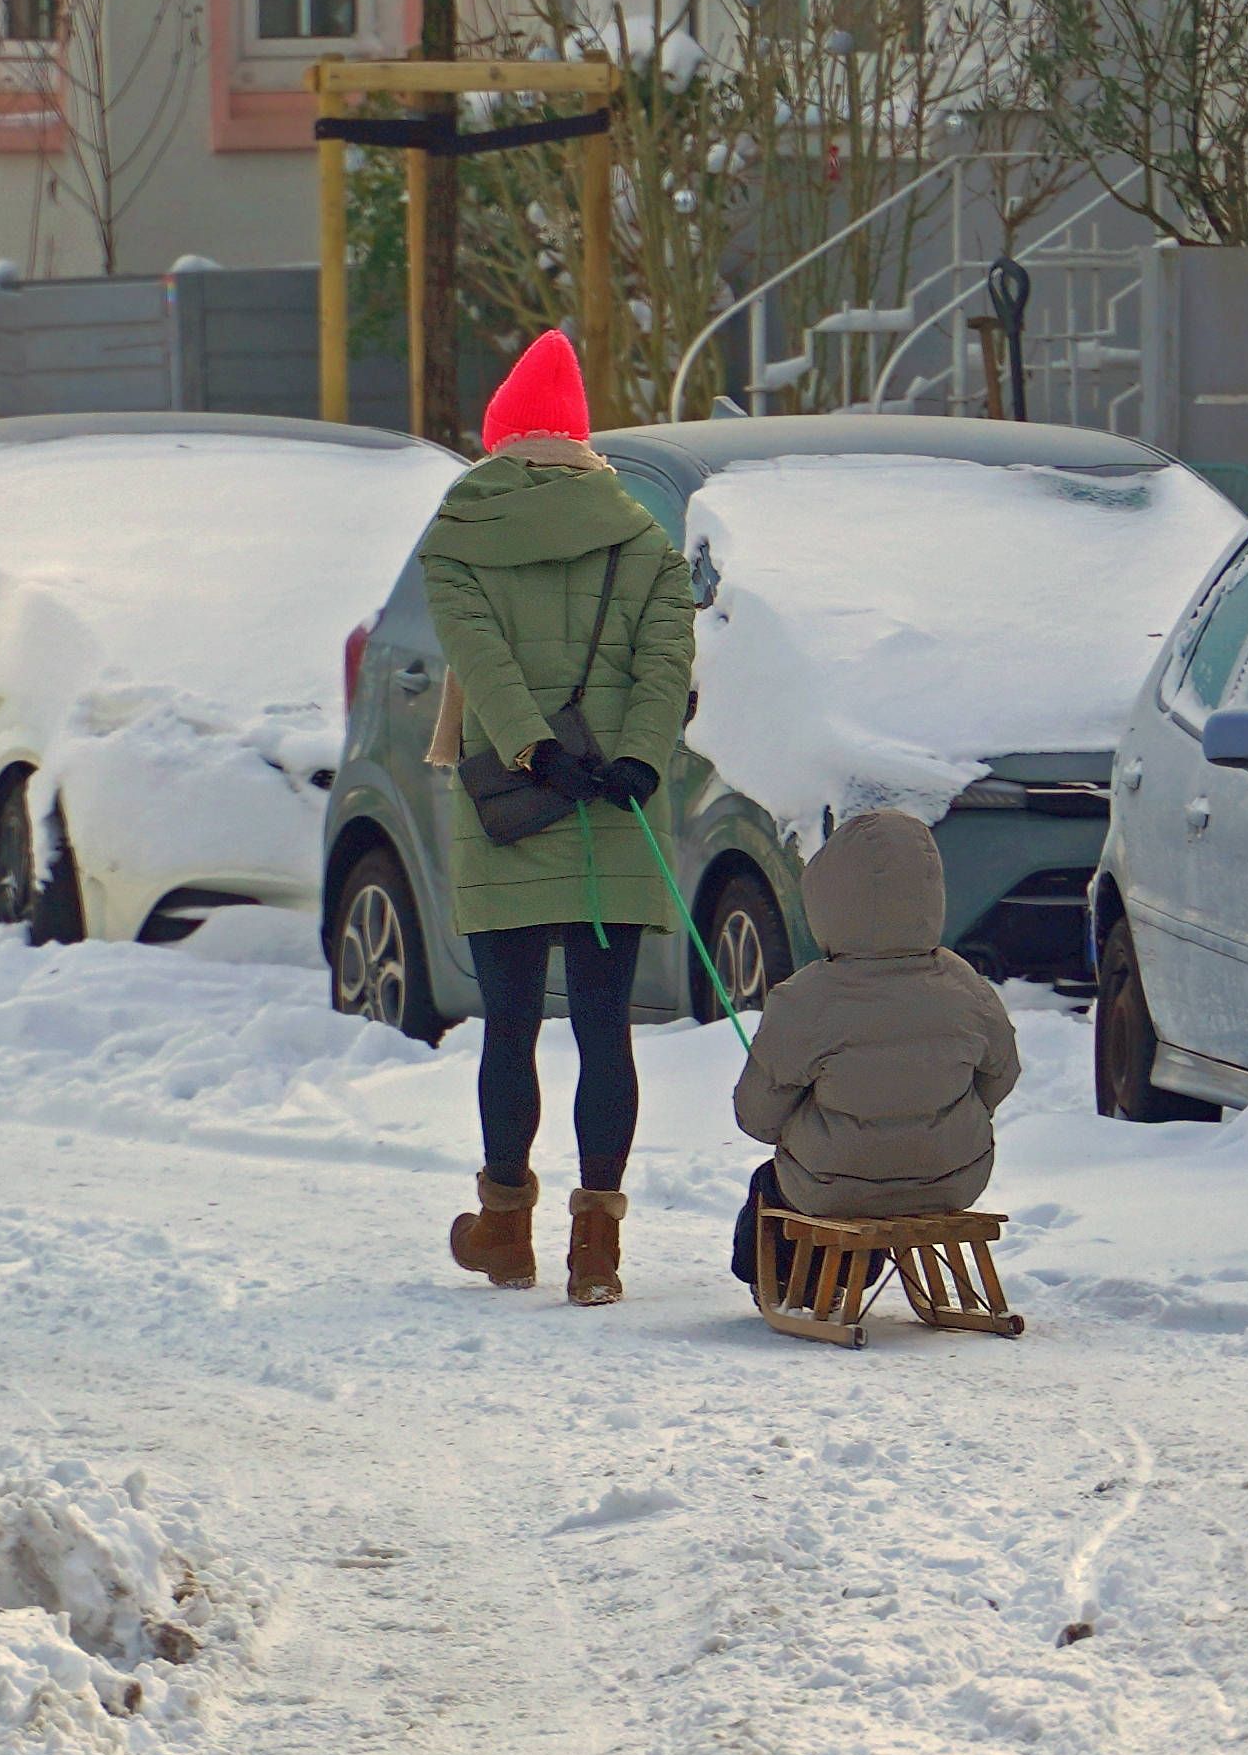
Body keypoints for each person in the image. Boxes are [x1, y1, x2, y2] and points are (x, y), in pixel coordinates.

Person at [416, 330, 694, 1307]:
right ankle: (597, 1250)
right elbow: (664, 668)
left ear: (501, 436)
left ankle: (504, 1228)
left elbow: (475, 650)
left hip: (507, 802)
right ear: (579, 440)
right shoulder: (644, 538)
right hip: (614, 808)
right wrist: (633, 760)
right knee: (605, 1027)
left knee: (509, 1027)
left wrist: (533, 746)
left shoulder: (459, 528)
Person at [728, 807, 1021, 1290]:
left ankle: (792, 1278)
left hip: (833, 1182)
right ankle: (852, 1268)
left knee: (772, 1183)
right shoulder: (963, 985)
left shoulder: (806, 998)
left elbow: (758, 1116)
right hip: (952, 1176)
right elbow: (1001, 1073)